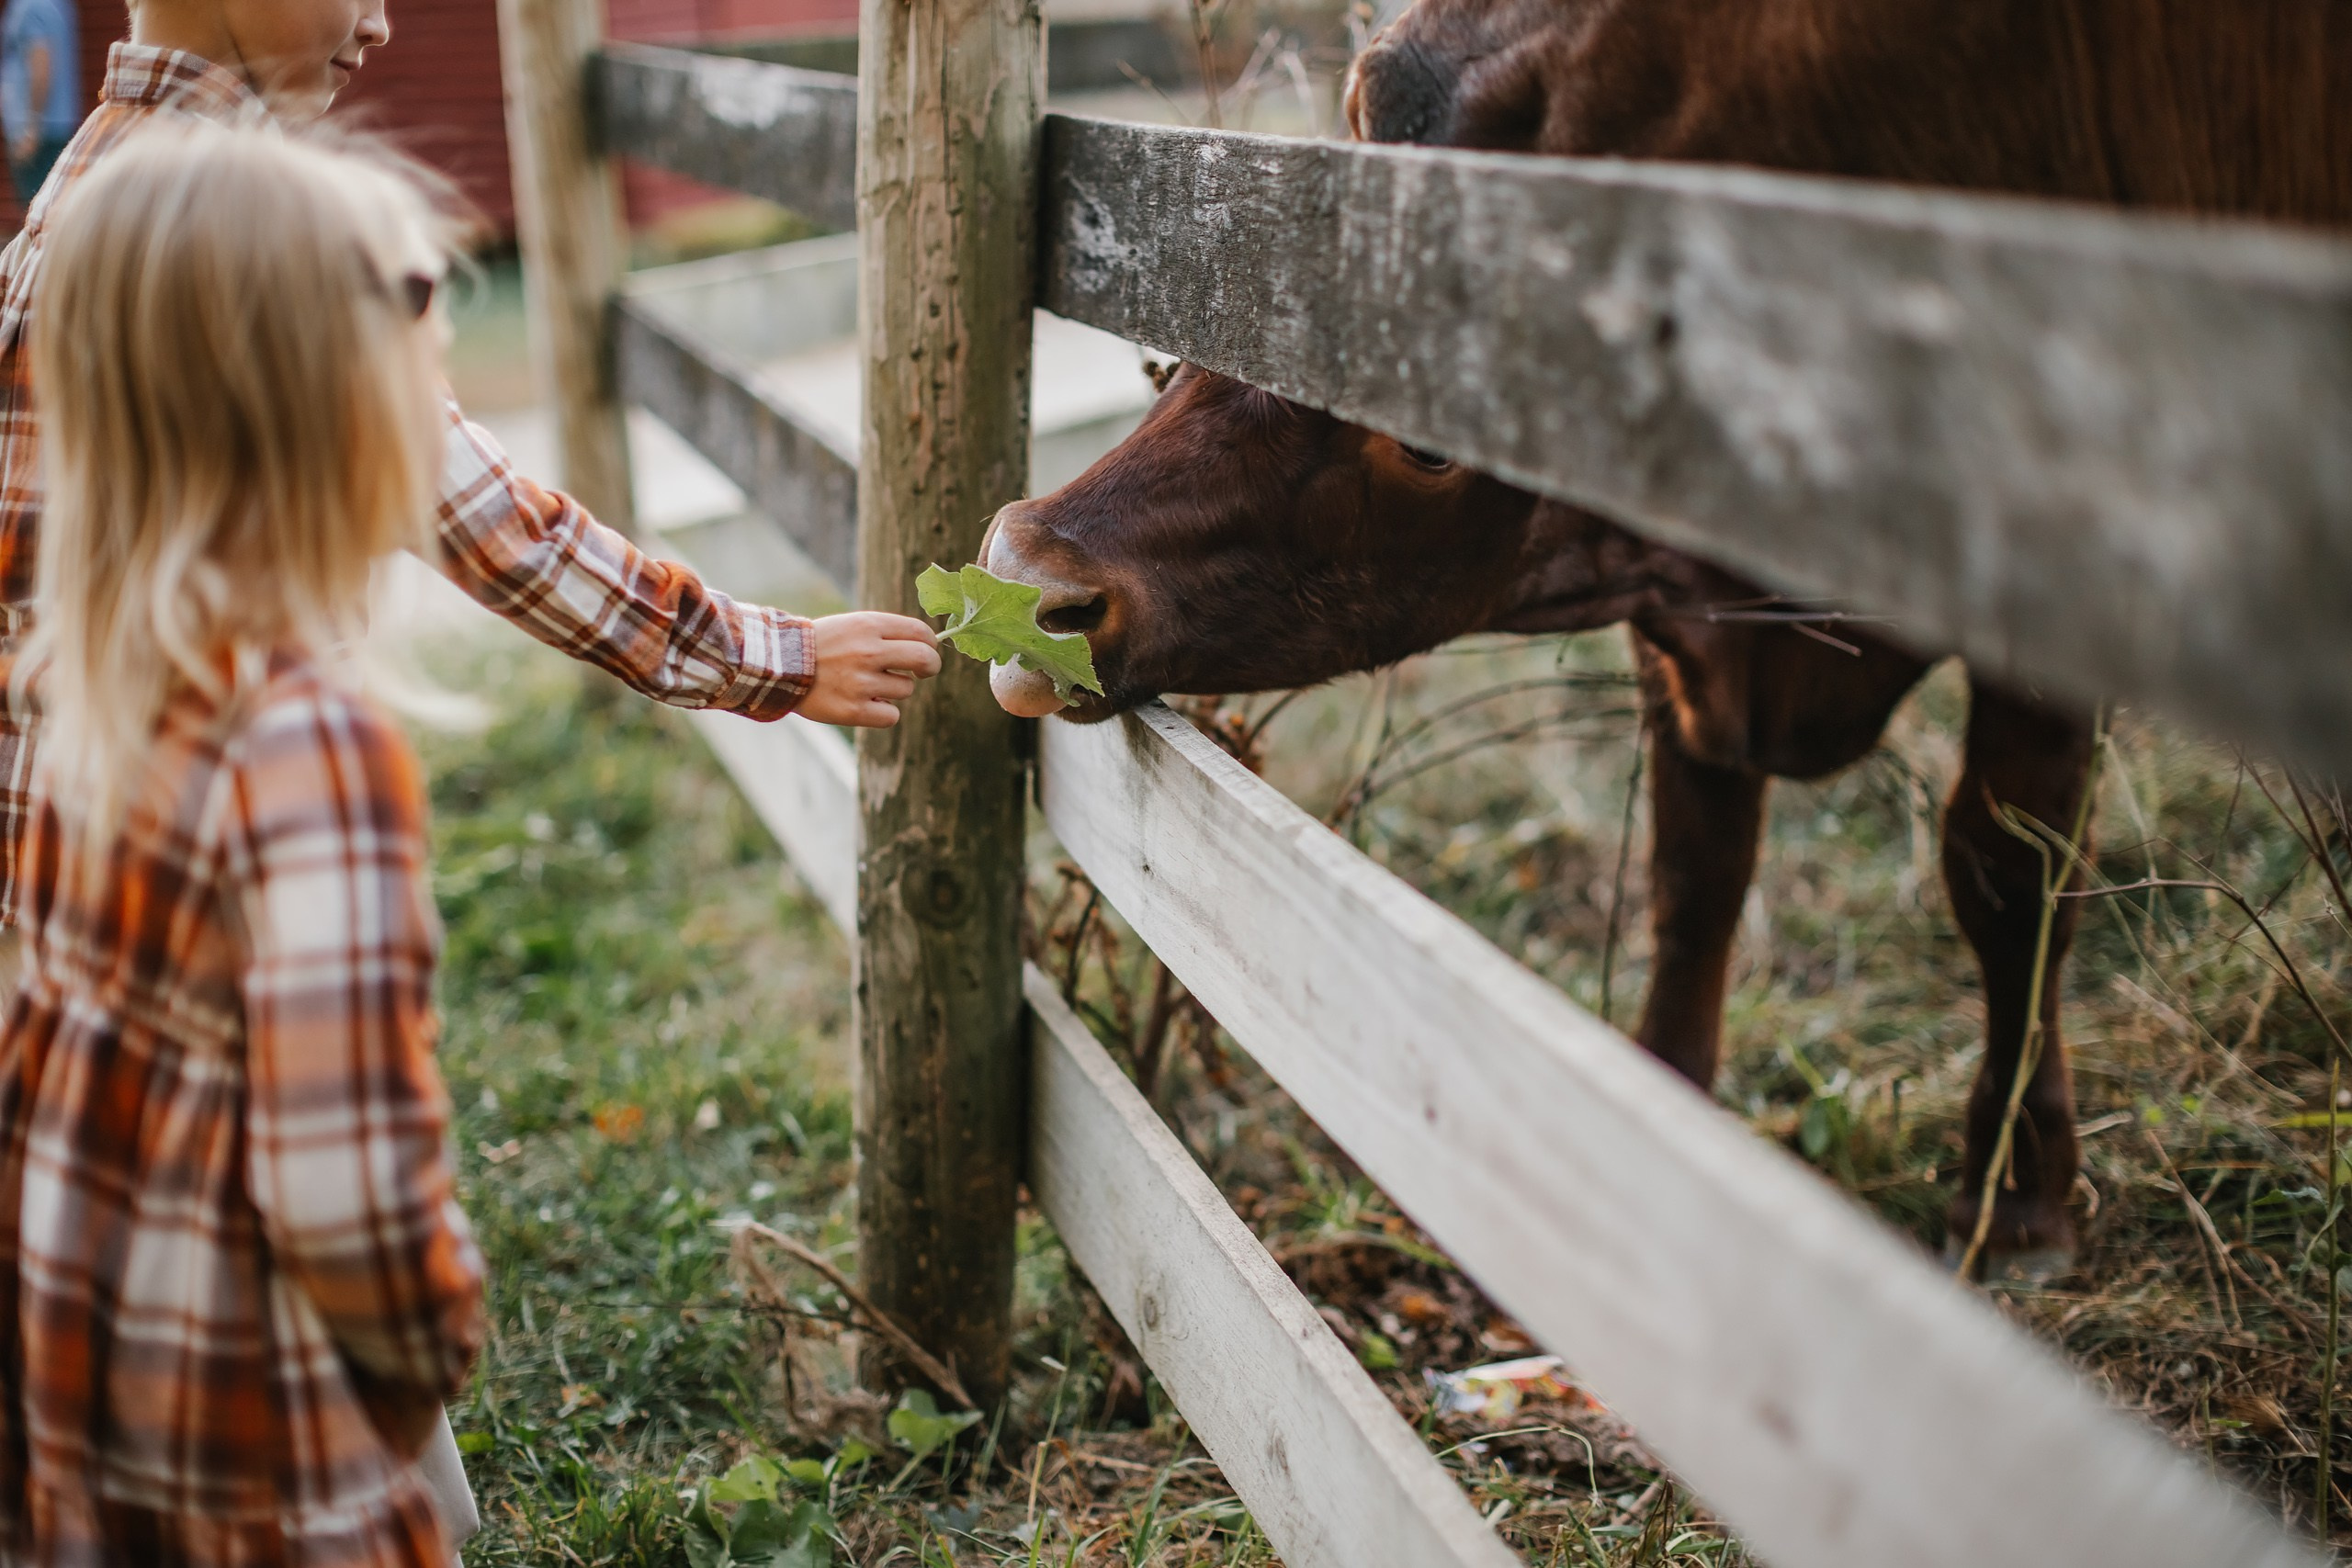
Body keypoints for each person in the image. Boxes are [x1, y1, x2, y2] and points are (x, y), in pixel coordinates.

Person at [0, 1, 941, 1557]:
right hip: (194, 999)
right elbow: (496, 518)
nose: (378, 16)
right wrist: (770, 656)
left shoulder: (98, 200)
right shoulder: (229, 231)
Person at [4, 119, 488, 1566]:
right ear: (325, 408)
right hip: (248, 1416)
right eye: (427, 356)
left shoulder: (91, 683)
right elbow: (345, 1193)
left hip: (79, 1348)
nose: (444, 389)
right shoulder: (310, 751)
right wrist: (427, 1340)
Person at [0, 0, 73, 204]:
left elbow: (41, 63)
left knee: (36, 214)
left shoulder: (30, 6)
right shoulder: (58, 5)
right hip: (54, 126)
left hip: (37, 132)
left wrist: (31, 127)